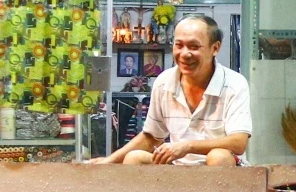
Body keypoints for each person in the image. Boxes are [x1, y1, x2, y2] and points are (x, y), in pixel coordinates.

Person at [90, 16, 250, 166]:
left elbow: (238, 142)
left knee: (218, 157)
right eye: (179, 45)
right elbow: (151, 137)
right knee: (134, 158)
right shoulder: (163, 82)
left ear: (215, 48)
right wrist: (109, 161)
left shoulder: (234, 84)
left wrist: (187, 146)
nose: (185, 54)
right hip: (178, 167)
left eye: (194, 47)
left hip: (223, 171)